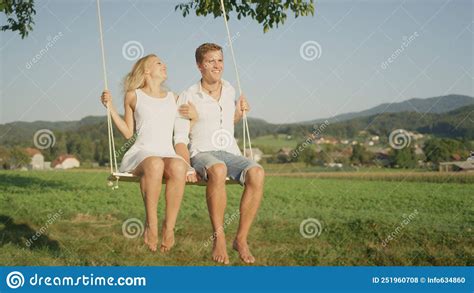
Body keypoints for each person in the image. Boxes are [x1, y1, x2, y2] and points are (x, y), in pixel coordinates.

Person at [174, 43, 265, 264]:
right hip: (202, 153)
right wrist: (186, 167)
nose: (217, 65)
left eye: (220, 60)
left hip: (229, 151)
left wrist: (239, 114)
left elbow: (225, 123)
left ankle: (241, 239)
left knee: (257, 172)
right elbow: (180, 138)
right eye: (211, 61)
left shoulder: (230, 89)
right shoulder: (189, 95)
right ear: (199, 65)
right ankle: (219, 236)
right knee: (218, 168)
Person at [100, 54, 197, 252]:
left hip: (166, 151)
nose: (164, 65)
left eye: (163, 61)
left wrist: (194, 117)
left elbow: (184, 129)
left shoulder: (174, 98)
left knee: (178, 165)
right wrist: (110, 108)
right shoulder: (133, 95)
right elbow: (129, 133)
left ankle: (169, 228)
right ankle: (151, 224)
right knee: (154, 163)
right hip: (141, 153)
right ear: (146, 71)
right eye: (158, 63)